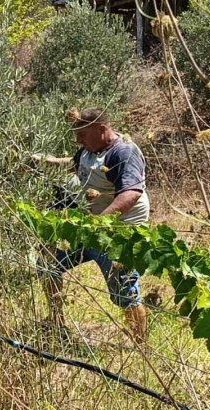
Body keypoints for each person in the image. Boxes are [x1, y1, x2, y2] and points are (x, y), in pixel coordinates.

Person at [42, 107, 150, 342]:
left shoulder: (124, 153)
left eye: (82, 135)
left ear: (102, 130)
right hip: (91, 228)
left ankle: (142, 348)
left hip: (119, 232)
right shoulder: (88, 150)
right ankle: (56, 324)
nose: (78, 140)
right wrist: (46, 162)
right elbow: (75, 164)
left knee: (125, 293)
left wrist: (99, 222)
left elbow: (130, 194)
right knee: (48, 264)